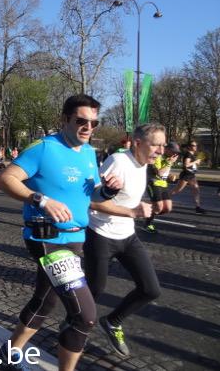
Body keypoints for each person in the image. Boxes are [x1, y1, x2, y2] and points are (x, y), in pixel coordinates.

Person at [0, 94, 122, 371]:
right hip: (48, 238)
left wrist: (108, 191)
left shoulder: (88, 152)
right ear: (65, 119)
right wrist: (40, 200)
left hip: (77, 238)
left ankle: (10, 350)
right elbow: (4, 179)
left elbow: (92, 194)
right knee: (85, 317)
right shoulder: (44, 148)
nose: (88, 128)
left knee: (46, 300)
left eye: (94, 123)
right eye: (81, 121)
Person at [86, 123, 163, 357]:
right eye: (156, 145)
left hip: (127, 236)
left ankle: (112, 322)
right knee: (94, 290)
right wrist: (132, 212)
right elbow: (92, 201)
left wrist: (151, 200)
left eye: (162, 145)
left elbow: (136, 192)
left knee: (150, 289)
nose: (161, 151)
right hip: (100, 234)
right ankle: (73, 323)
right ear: (138, 143)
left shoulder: (145, 163)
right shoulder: (118, 162)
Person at [144, 141, 181, 233]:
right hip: (153, 183)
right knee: (159, 207)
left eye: (176, 153)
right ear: (167, 149)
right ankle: (148, 224)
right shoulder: (157, 157)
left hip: (163, 184)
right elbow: (159, 173)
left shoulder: (168, 159)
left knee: (168, 208)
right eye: (174, 152)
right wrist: (169, 163)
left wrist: (170, 176)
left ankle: (149, 211)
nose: (175, 154)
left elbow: (164, 173)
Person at [170, 141, 206, 214]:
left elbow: (191, 165)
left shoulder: (191, 154)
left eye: (196, 145)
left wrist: (196, 163)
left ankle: (197, 207)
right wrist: (195, 162)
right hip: (186, 175)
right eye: (193, 145)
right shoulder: (188, 154)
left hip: (191, 175)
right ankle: (163, 199)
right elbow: (186, 165)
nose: (195, 147)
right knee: (177, 190)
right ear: (189, 147)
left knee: (196, 189)